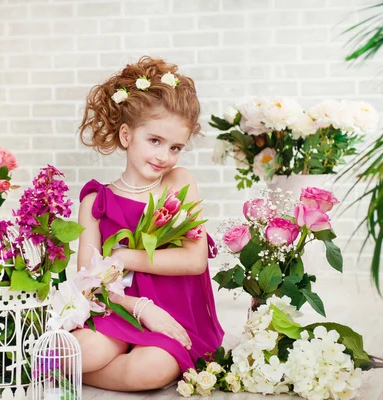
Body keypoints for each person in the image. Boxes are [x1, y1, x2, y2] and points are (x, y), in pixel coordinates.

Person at [73, 56, 224, 392]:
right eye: (154, 141)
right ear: (127, 135)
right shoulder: (94, 202)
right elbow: (88, 282)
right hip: (120, 309)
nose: (163, 157)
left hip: (173, 314)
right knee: (86, 349)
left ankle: (65, 372)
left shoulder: (177, 183)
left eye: (175, 147)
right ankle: (78, 364)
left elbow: (193, 259)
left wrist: (127, 258)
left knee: (150, 369)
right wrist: (139, 306)